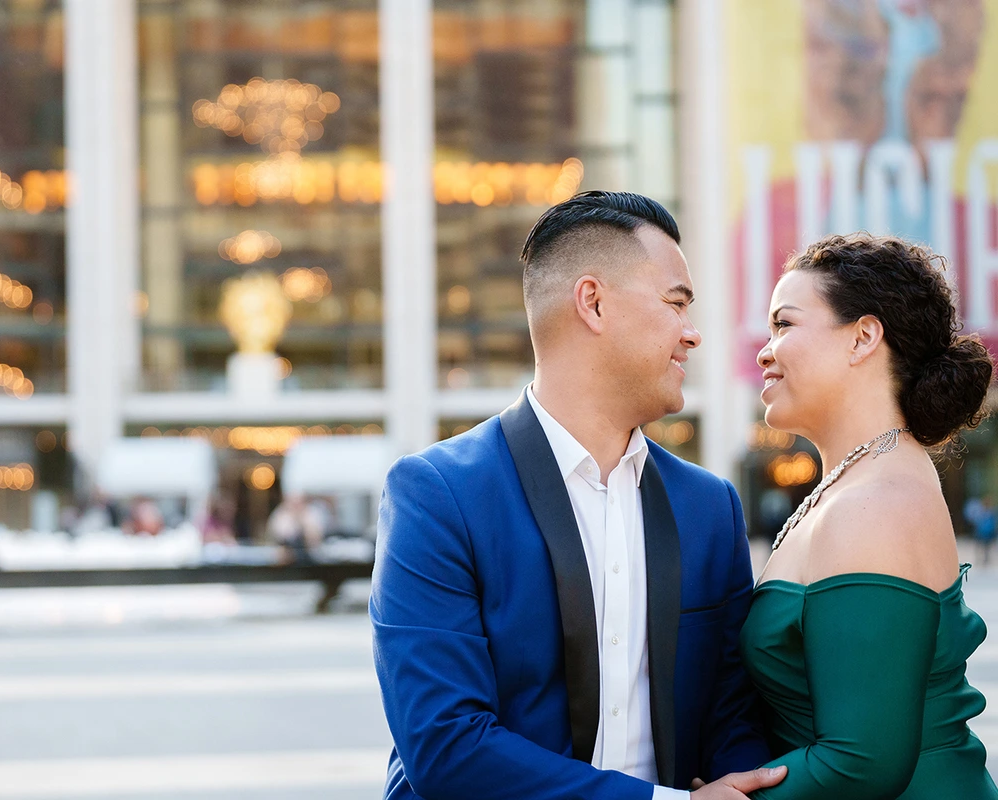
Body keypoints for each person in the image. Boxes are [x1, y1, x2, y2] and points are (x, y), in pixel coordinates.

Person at [371, 191, 784, 800]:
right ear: (593, 302)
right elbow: (445, 744)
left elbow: (733, 713)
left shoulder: (708, 506)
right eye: (676, 304)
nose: (692, 334)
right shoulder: (438, 494)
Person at [744, 233, 998, 798]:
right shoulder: (856, 484)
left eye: (784, 324)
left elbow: (861, 763)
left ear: (862, 338)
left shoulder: (875, 504)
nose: (765, 351)